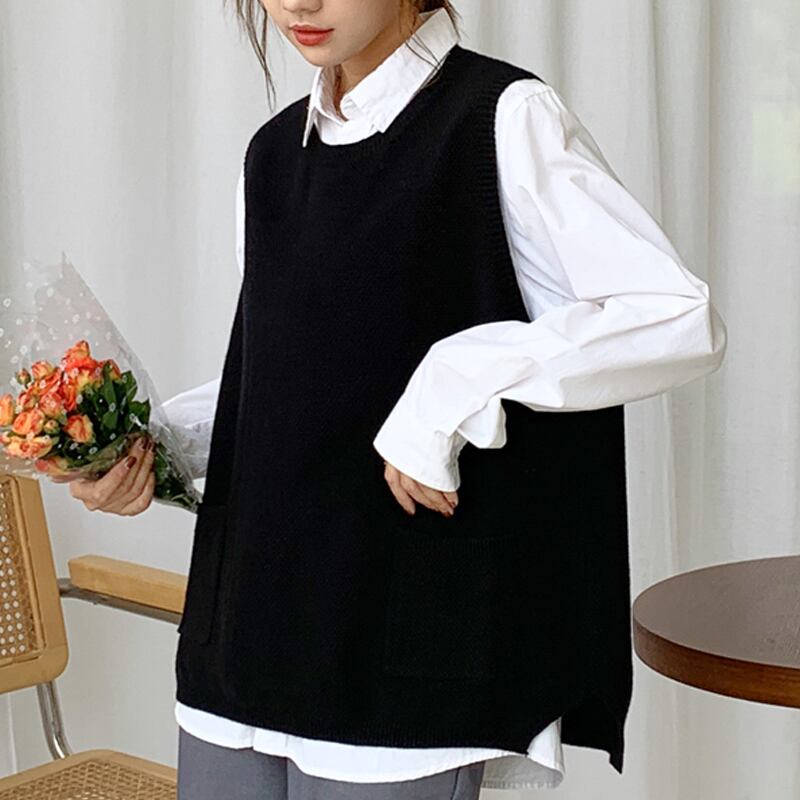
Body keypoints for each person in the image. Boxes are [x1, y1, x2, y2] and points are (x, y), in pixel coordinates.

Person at [66, 1, 727, 797]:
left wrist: (456, 379)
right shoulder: (272, 153)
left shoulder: (502, 120)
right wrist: (149, 447)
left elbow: (674, 315)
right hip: (242, 643)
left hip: (401, 665)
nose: (298, 3)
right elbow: (293, 376)